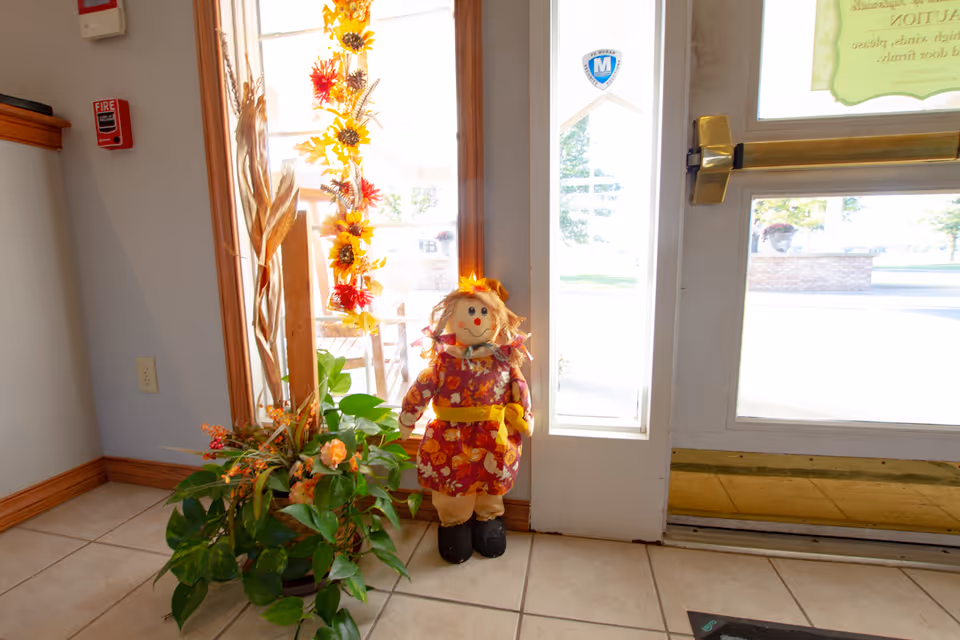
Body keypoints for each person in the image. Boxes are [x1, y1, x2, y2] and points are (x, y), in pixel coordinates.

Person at [399, 275, 533, 564]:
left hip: (493, 435)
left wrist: (526, 415)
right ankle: (455, 524)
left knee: (490, 481)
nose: (476, 320)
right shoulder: (443, 361)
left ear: (497, 319)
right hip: (451, 438)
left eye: (484, 313)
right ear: (451, 317)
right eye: (470, 312)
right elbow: (422, 386)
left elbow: (519, 386)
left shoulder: (503, 359)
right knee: (452, 484)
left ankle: (489, 519)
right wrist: (408, 416)